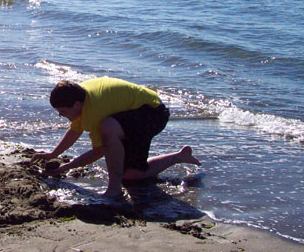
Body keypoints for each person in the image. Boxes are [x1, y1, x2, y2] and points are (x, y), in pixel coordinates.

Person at [33, 77, 201, 198]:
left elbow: (98, 152)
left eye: (63, 112)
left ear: (76, 104)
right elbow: (75, 131)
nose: (61, 115)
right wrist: (53, 154)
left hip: (153, 112)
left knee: (108, 127)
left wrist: (65, 167)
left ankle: (114, 188)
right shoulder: (79, 98)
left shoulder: (93, 111)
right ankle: (179, 156)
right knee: (132, 175)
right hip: (130, 114)